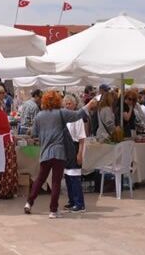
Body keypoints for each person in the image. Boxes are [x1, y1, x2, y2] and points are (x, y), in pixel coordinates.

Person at [25, 91, 96, 219]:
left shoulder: (39, 116)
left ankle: (29, 203)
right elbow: (77, 114)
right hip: (59, 153)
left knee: (40, 179)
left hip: (45, 152)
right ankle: (53, 210)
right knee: (56, 181)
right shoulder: (61, 113)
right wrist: (89, 105)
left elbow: (34, 133)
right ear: (58, 101)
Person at [61, 94, 86, 212]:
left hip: (75, 148)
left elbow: (82, 139)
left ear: (74, 105)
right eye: (65, 103)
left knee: (75, 177)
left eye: (69, 103)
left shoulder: (78, 118)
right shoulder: (64, 118)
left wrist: (80, 154)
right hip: (66, 150)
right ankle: (71, 201)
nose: (67, 105)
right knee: (68, 177)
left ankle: (79, 203)